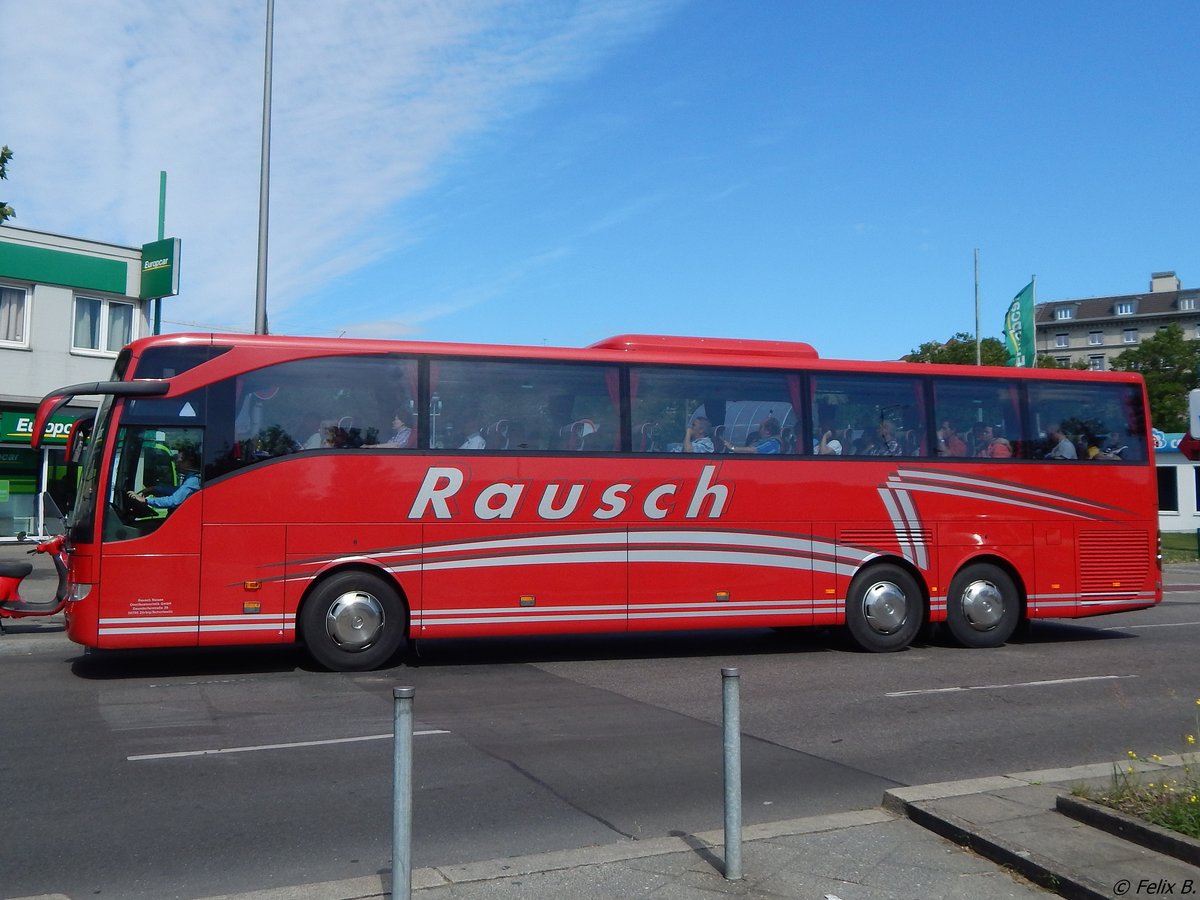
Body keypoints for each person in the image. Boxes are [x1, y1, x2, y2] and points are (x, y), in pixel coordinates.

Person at [127, 446, 202, 512]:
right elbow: (178, 491)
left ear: (189, 462)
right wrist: (155, 489)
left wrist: (145, 500)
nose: (177, 463)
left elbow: (174, 500)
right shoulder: (191, 478)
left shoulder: (193, 480)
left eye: (179, 461)